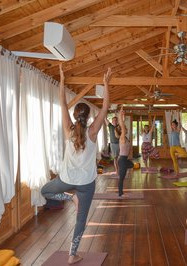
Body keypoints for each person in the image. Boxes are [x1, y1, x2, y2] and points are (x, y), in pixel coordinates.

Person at [41, 65, 112, 264]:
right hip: (86, 183)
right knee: (81, 220)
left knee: (45, 191)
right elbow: (106, 107)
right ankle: (72, 254)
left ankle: (69, 198)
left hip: (66, 180)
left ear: (75, 115)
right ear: (89, 117)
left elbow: (62, 103)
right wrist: (106, 84)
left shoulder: (68, 129)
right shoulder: (92, 131)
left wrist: (62, 80)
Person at [116, 106, 134, 197]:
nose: (125, 128)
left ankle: (121, 169)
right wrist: (120, 116)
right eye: (124, 128)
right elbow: (122, 126)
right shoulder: (122, 138)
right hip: (122, 159)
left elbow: (122, 126)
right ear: (122, 131)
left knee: (132, 165)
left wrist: (122, 117)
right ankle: (120, 193)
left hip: (124, 159)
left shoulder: (126, 138)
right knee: (122, 178)